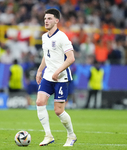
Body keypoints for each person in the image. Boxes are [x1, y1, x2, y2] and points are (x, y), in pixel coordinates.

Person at [36, 9, 77, 147]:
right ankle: (48, 135)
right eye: (45, 18)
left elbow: (71, 58)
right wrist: (40, 70)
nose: (46, 21)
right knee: (40, 102)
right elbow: (46, 55)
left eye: (49, 18)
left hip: (61, 77)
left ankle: (71, 135)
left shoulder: (62, 37)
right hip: (48, 76)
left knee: (58, 111)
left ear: (56, 21)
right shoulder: (44, 37)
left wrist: (58, 71)